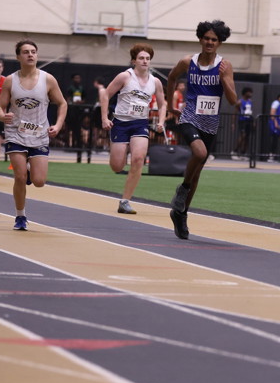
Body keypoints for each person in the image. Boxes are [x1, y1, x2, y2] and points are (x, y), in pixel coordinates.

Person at [166, 20, 239, 240]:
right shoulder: (188, 62)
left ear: (220, 42)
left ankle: (181, 213)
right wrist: (170, 105)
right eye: (206, 38)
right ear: (200, 39)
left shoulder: (224, 65)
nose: (209, 42)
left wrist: (224, 80)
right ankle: (182, 189)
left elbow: (233, 100)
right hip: (189, 116)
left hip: (210, 123)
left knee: (197, 171)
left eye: (214, 39)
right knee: (199, 153)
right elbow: (171, 77)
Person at [0, 40, 68, 231]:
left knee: (39, 181)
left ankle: (30, 169)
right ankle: (20, 216)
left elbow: (62, 103)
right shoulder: (10, 80)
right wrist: (2, 116)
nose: (30, 55)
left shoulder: (48, 79)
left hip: (39, 134)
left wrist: (58, 125)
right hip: (16, 133)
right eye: (26, 52)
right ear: (18, 56)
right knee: (19, 177)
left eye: (33, 51)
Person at [101, 43, 167, 215]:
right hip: (121, 123)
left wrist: (161, 121)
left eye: (147, 58)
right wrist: (104, 118)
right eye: (141, 58)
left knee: (138, 159)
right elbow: (106, 94)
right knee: (117, 166)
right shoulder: (125, 77)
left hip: (140, 123)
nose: (145, 61)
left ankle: (125, 201)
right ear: (134, 61)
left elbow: (162, 104)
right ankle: (120, 155)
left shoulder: (155, 82)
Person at [231, 87, 253, 160]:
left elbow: (250, 112)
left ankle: (243, 153)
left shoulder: (250, 101)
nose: (251, 94)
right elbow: (235, 113)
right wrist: (233, 123)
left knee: (247, 137)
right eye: (249, 92)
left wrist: (253, 121)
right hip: (242, 120)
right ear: (245, 93)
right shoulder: (240, 102)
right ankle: (235, 151)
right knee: (243, 136)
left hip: (248, 120)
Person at [267, 92, 280, 162]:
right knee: (274, 139)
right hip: (275, 124)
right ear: (279, 97)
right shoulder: (276, 103)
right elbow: (272, 113)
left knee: (277, 140)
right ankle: (271, 155)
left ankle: (275, 155)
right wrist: (275, 122)